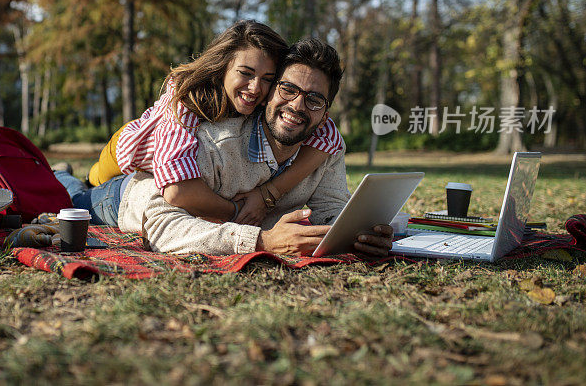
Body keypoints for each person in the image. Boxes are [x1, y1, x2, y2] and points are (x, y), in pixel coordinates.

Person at [54, 39, 393, 256]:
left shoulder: (326, 145)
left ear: (326, 114)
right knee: (71, 198)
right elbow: (162, 223)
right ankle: (61, 176)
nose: (298, 106)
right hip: (127, 193)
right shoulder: (212, 138)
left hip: (151, 176)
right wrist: (259, 241)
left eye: (314, 99)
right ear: (271, 93)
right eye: (288, 89)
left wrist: (357, 233)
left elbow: (329, 209)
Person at [86, 20, 344, 226]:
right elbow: (176, 191)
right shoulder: (185, 100)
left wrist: (268, 193)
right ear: (223, 68)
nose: (255, 88)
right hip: (128, 150)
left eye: (267, 78)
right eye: (245, 73)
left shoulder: (265, 108)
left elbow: (330, 138)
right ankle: (68, 177)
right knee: (92, 181)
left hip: (149, 171)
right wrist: (239, 211)